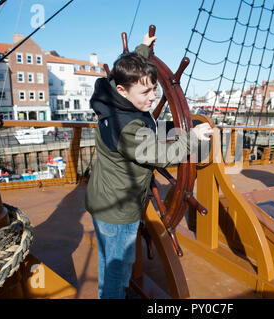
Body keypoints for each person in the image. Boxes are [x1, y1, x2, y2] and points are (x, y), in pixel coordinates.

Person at [85, 33, 213, 299]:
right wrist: (193, 137)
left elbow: (124, 66)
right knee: (118, 273)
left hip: (103, 201)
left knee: (108, 261)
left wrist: (143, 49)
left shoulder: (110, 93)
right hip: (118, 211)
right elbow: (159, 155)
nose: (154, 96)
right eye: (146, 91)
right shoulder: (127, 127)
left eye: (155, 88)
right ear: (123, 91)